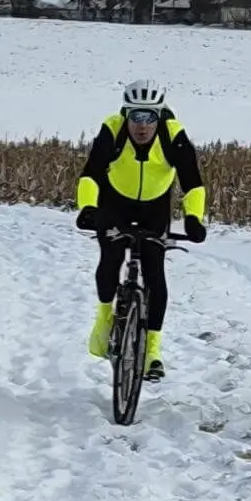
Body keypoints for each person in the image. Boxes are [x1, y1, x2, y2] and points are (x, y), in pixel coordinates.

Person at [74, 79, 208, 382]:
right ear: (126, 114)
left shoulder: (173, 135)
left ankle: (151, 352)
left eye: (149, 117)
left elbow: (193, 182)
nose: (142, 125)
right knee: (110, 260)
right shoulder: (113, 129)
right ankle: (104, 321)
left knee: (155, 275)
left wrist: (193, 219)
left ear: (159, 116)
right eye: (135, 116)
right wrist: (87, 208)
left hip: (154, 207)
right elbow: (91, 174)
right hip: (114, 203)